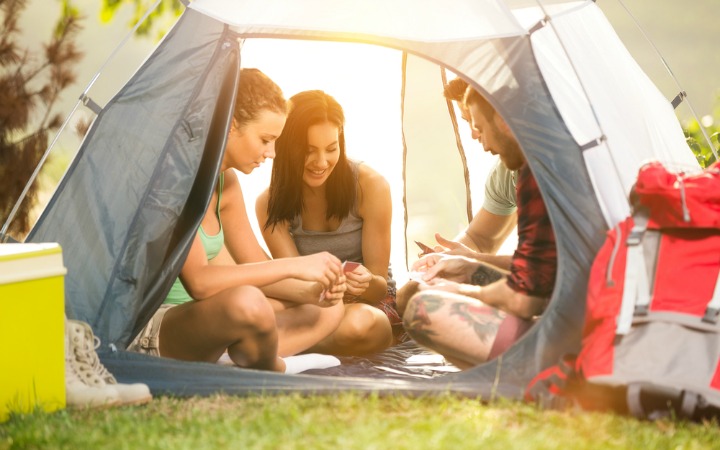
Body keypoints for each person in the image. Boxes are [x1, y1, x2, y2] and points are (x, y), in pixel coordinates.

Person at [128, 69, 346, 374]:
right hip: (158, 327)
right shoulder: (177, 178)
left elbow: (253, 262)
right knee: (248, 301)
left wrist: (311, 293)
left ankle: (236, 357)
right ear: (231, 126)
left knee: (330, 309)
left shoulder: (224, 182)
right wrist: (297, 265)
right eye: (266, 140)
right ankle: (274, 365)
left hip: (211, 320)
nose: (271, 153)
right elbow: (201, 283)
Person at [401, 87, 557, 369]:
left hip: (575, 332)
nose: (479, 140)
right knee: (421, 291)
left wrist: (460, 292)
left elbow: (523, 301)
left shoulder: (538, 174)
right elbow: (543, 268)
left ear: (502, 121)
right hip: (569, 307)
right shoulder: (553, 158)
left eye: (477, 126)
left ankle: (538, 373)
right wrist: (467, 262)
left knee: (422, 309)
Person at [256, 90, 398, 356]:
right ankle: (287, 344)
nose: (321, 162)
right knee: (255, 310)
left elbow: (380, 289)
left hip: (366, 307)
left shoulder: (371, 186)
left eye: (331, 149)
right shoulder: (269, 205)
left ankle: (278, 347)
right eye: (308, 151)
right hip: (311, 306)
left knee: (358, 325)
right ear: (287, 148)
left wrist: (365, 282)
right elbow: (294, 287)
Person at [396, 77, 517, 316]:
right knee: (412, 293)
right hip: (530, 279)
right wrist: (447, 258)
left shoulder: (553, 173)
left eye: (478, 124)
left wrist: (470, 265)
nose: (473, 134)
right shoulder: (505, 174)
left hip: (562, 291)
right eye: (467, 122)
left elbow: (548, 266)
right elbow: (481, 237)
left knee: (436, 308)